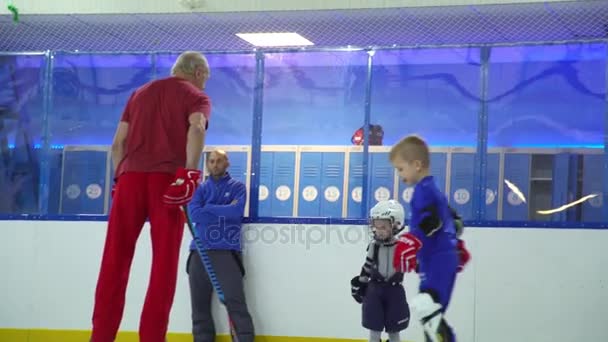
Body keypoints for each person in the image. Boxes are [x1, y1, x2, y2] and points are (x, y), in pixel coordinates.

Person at [90, 51, 212, 342]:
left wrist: (120, 179)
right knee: (164, 266)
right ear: (197, 72)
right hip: (167, 183)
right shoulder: (196, 96)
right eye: (206, 77)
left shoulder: (139, 93)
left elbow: (118, 143)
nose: (205, 83)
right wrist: (190, 173)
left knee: (114, 261)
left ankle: (101, 336)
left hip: (130, 180)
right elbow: (196, 127)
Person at [389, 135, 470, 342]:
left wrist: (412, 240)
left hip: (437, 259)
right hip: (434, 258)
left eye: (400, 168)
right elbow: (455, 221)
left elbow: (432, 221)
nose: (399, 174)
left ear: (416, 165)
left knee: (428, 308)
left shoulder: (423, 191)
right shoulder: (434, 191)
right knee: (431, 315)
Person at [187, 149, 255, 342]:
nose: (215, 164)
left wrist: (207, 208)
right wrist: (221, 209)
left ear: (227, 163)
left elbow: (235, 212)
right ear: (207, 164)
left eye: (219, 161)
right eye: (211, 161)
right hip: (199, 252)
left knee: (236, 304)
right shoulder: (198, 189)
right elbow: (195, 215)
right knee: (199, 307)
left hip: (227, 252)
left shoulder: (238, 187)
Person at [350, 200, 411, 342]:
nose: (378, 230)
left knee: (394, 330)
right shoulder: (374, 246)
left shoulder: (402, 246)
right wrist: (361, 283)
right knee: (374, 328)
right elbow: (367, 266)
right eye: (376, 226)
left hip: (395, 292)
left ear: (396, 225)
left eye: (383, 226)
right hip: (374, 291)